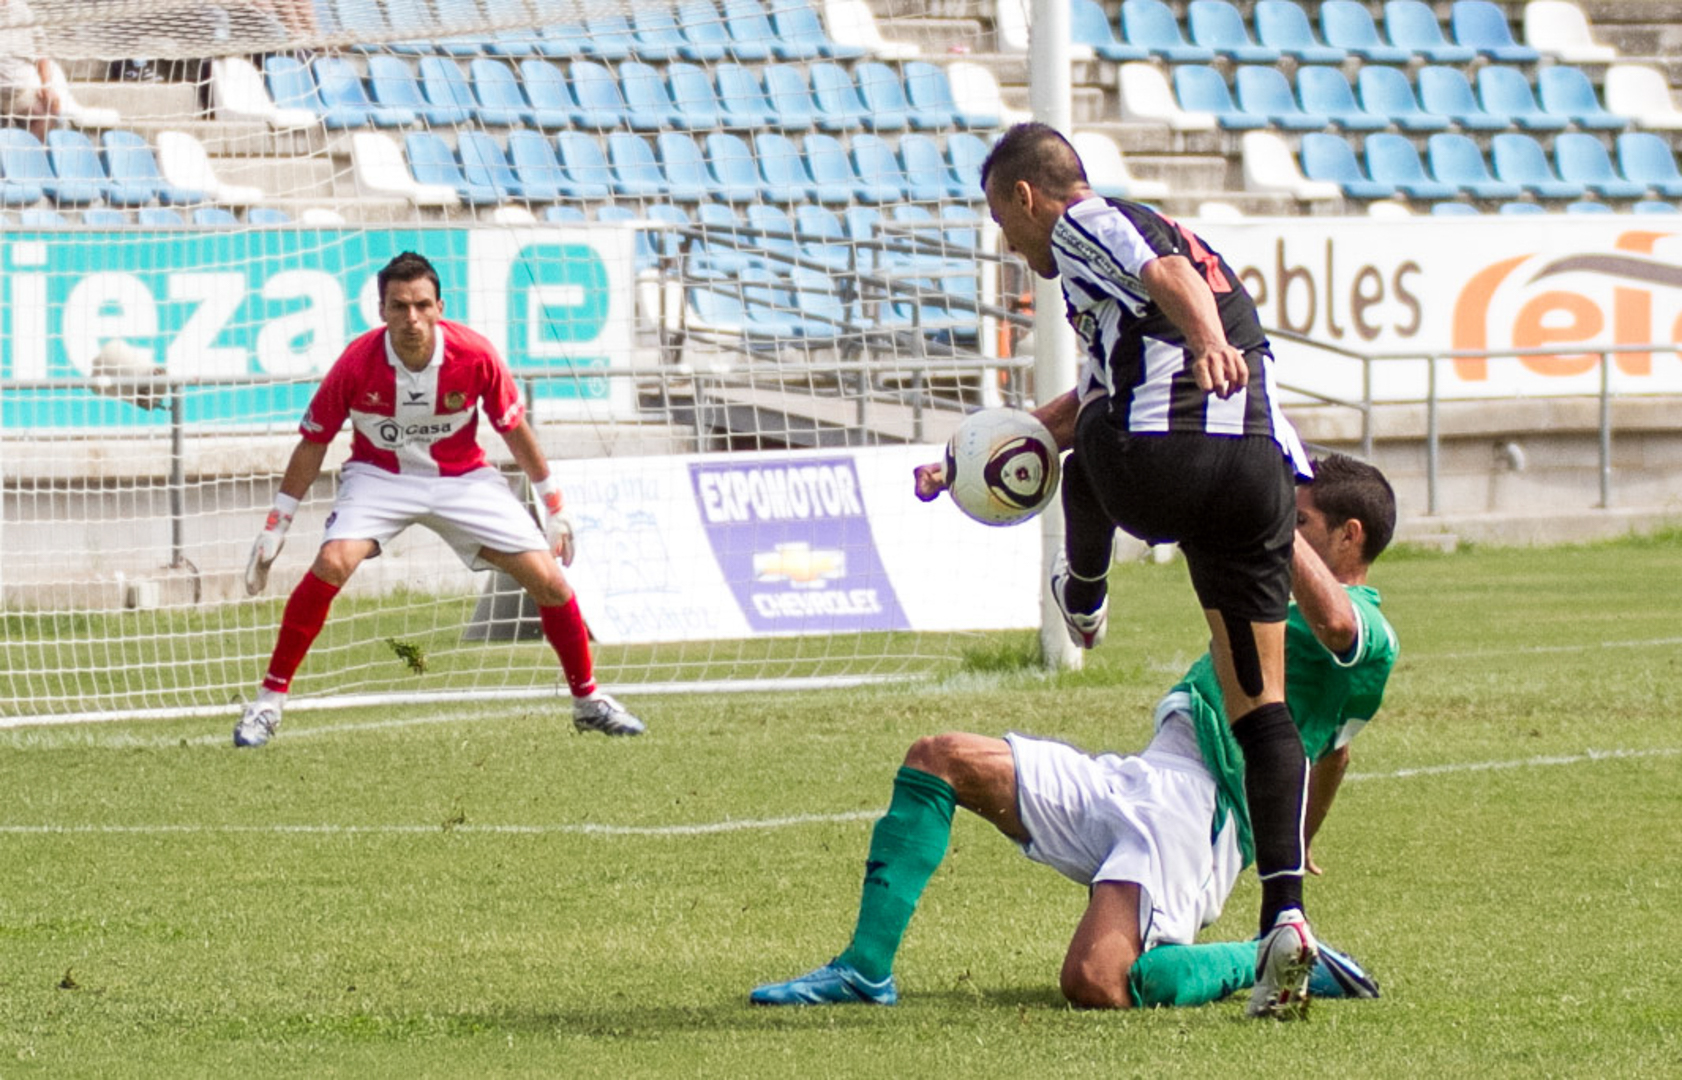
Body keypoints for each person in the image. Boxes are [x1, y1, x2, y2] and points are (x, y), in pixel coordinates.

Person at [751, 454, 1398, 1015]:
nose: (1284, 527)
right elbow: (1334, 753)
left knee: (1098, 983)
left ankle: (1281, 955)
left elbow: (1340, 631)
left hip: (1196, 814)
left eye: (1302, 521)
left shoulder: (1371, 633)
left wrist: (1267, 517)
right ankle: (864, 974)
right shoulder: (1277, 605)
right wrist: (1301, 838)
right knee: (939, 759)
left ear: (1351, 536)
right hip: (1144, 776)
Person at [920, 122, 1320, 1015]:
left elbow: (1164, 287)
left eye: (1001, 218)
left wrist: (1208, 341)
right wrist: (961, 464)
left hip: (1175, 456)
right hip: (1256, 481)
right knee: (1261, 709)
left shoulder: (1085, 222)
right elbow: (1079, 396)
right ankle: (1287, 920)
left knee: (1102, 437)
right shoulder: (1156, 253)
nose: (1009, 242)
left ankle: (1085, 593)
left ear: (1027, 196)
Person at [236, 251, 644, 747]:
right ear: (381, 310)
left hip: (462, 479)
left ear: (439, 307)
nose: (412, 318)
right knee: (332, 561)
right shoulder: (356, 362)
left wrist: (554, 506)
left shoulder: (475, 355)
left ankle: (588, 701)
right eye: (399, 306)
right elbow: (314, 441)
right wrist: (278, 523)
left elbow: (514, 429)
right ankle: (268, 703)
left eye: (422, 306)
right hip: (379, 476)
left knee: (551, 582)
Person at [0, 0, 58, 141]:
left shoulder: (22, 9)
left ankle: (35, 157)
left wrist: (47, 85)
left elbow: (42, 50)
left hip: (22, 89)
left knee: (48, 110)